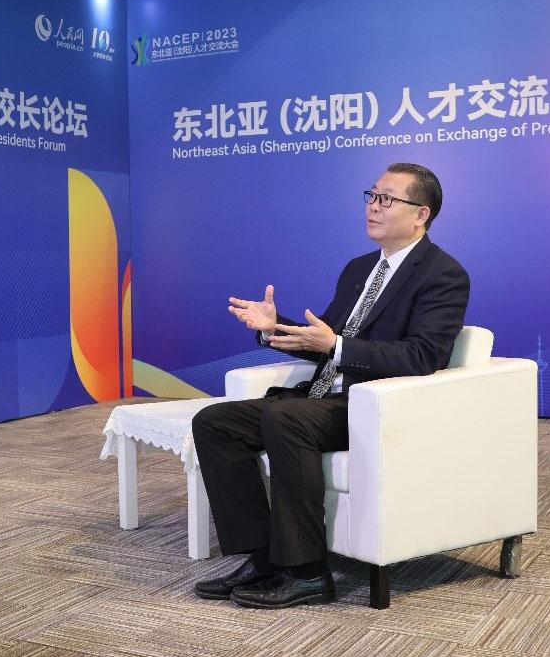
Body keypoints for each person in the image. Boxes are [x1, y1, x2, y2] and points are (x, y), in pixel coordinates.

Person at [191, 162, 470, 609]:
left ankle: (308, 574)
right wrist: (273, 328)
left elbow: (423, 357)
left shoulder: (442, 275)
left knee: (287, 417)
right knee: (214, 422)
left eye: (387, 199)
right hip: (321, 401)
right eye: (371, 196)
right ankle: (264, 559)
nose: (373, 207)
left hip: (372, 405)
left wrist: (337, 346)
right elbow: (323, 341)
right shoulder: (359, 269)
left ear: (421, 214)